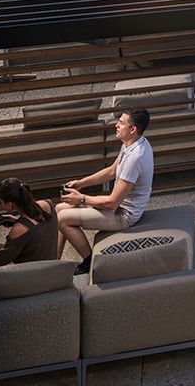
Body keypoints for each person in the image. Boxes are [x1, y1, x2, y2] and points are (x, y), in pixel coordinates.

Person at [56, 108, 154, 273]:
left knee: (63, 219)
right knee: (59, 209)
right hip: (116, 206)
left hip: (124, 215)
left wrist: (81, 198)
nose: (116, 125)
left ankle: (89, 262)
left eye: (121, 123)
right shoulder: (133, 143)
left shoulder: (135, 158)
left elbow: (113, 203)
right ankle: (53, 261)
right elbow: (111, 171)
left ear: (132, 129)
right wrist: (81, 183)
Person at [0, 177, 57, 287]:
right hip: (49, 264)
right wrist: (17, 221)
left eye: (1, 202)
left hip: (33, 275)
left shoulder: (19, 229)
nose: (1, 205)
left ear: (9, 205)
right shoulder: (47, 204)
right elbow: (37, 228)